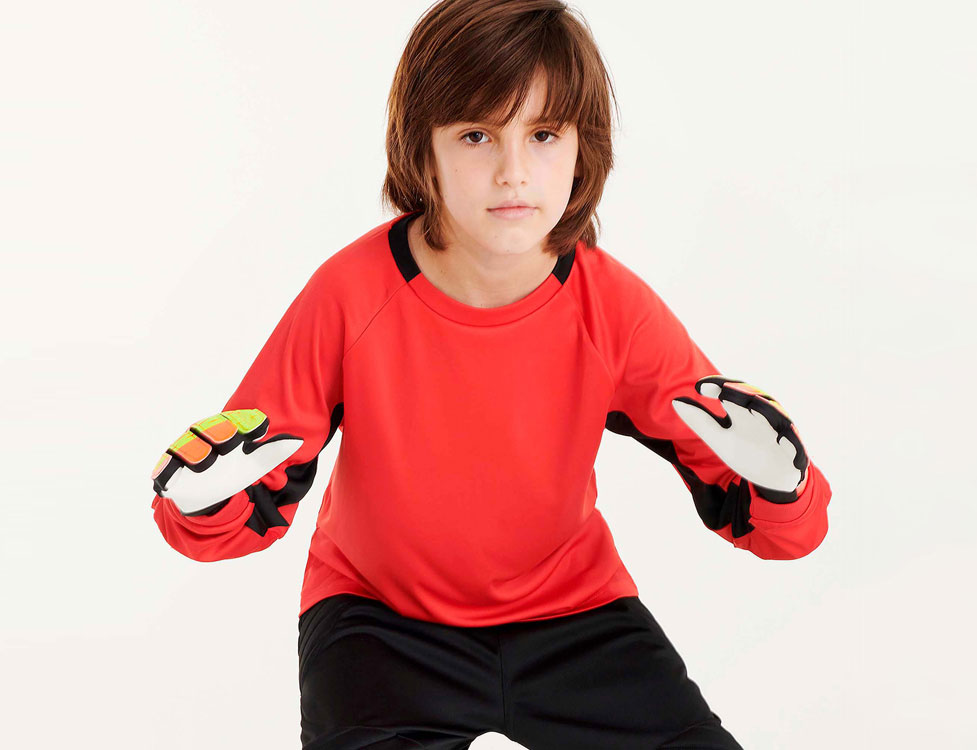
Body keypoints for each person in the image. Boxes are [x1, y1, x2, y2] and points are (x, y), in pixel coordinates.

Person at [150, 1, 832, 748]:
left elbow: (772, 520)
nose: (513, 172)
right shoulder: (350, 294)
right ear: (424, 149)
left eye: (543, 135)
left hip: (575, 618)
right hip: (380, 622)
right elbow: (244, 481)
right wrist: (199, 503)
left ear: (583, 149)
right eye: (477, 135)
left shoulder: (613, 307)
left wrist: (784, 488)